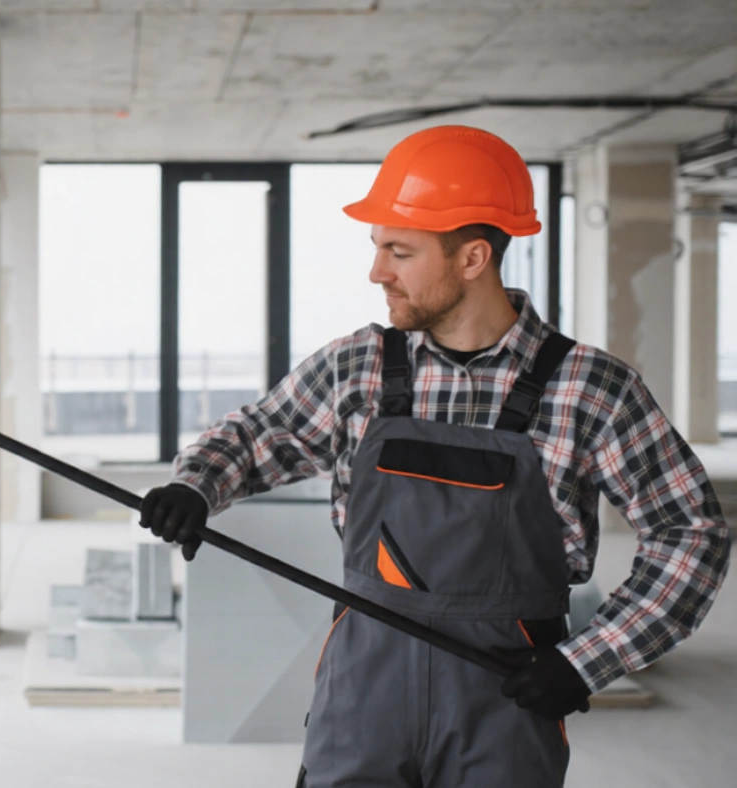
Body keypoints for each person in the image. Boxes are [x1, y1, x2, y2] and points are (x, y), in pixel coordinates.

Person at [139, 125, 730, 787]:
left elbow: (690, 532)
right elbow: (253, 436)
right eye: (377, 248)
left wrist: (588, 659)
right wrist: (195, 486)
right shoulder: (357, 367)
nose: (376, 272)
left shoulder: (590, 388)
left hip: (504, 695)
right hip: (365, 683)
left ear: (473, 258)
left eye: (400, 251)